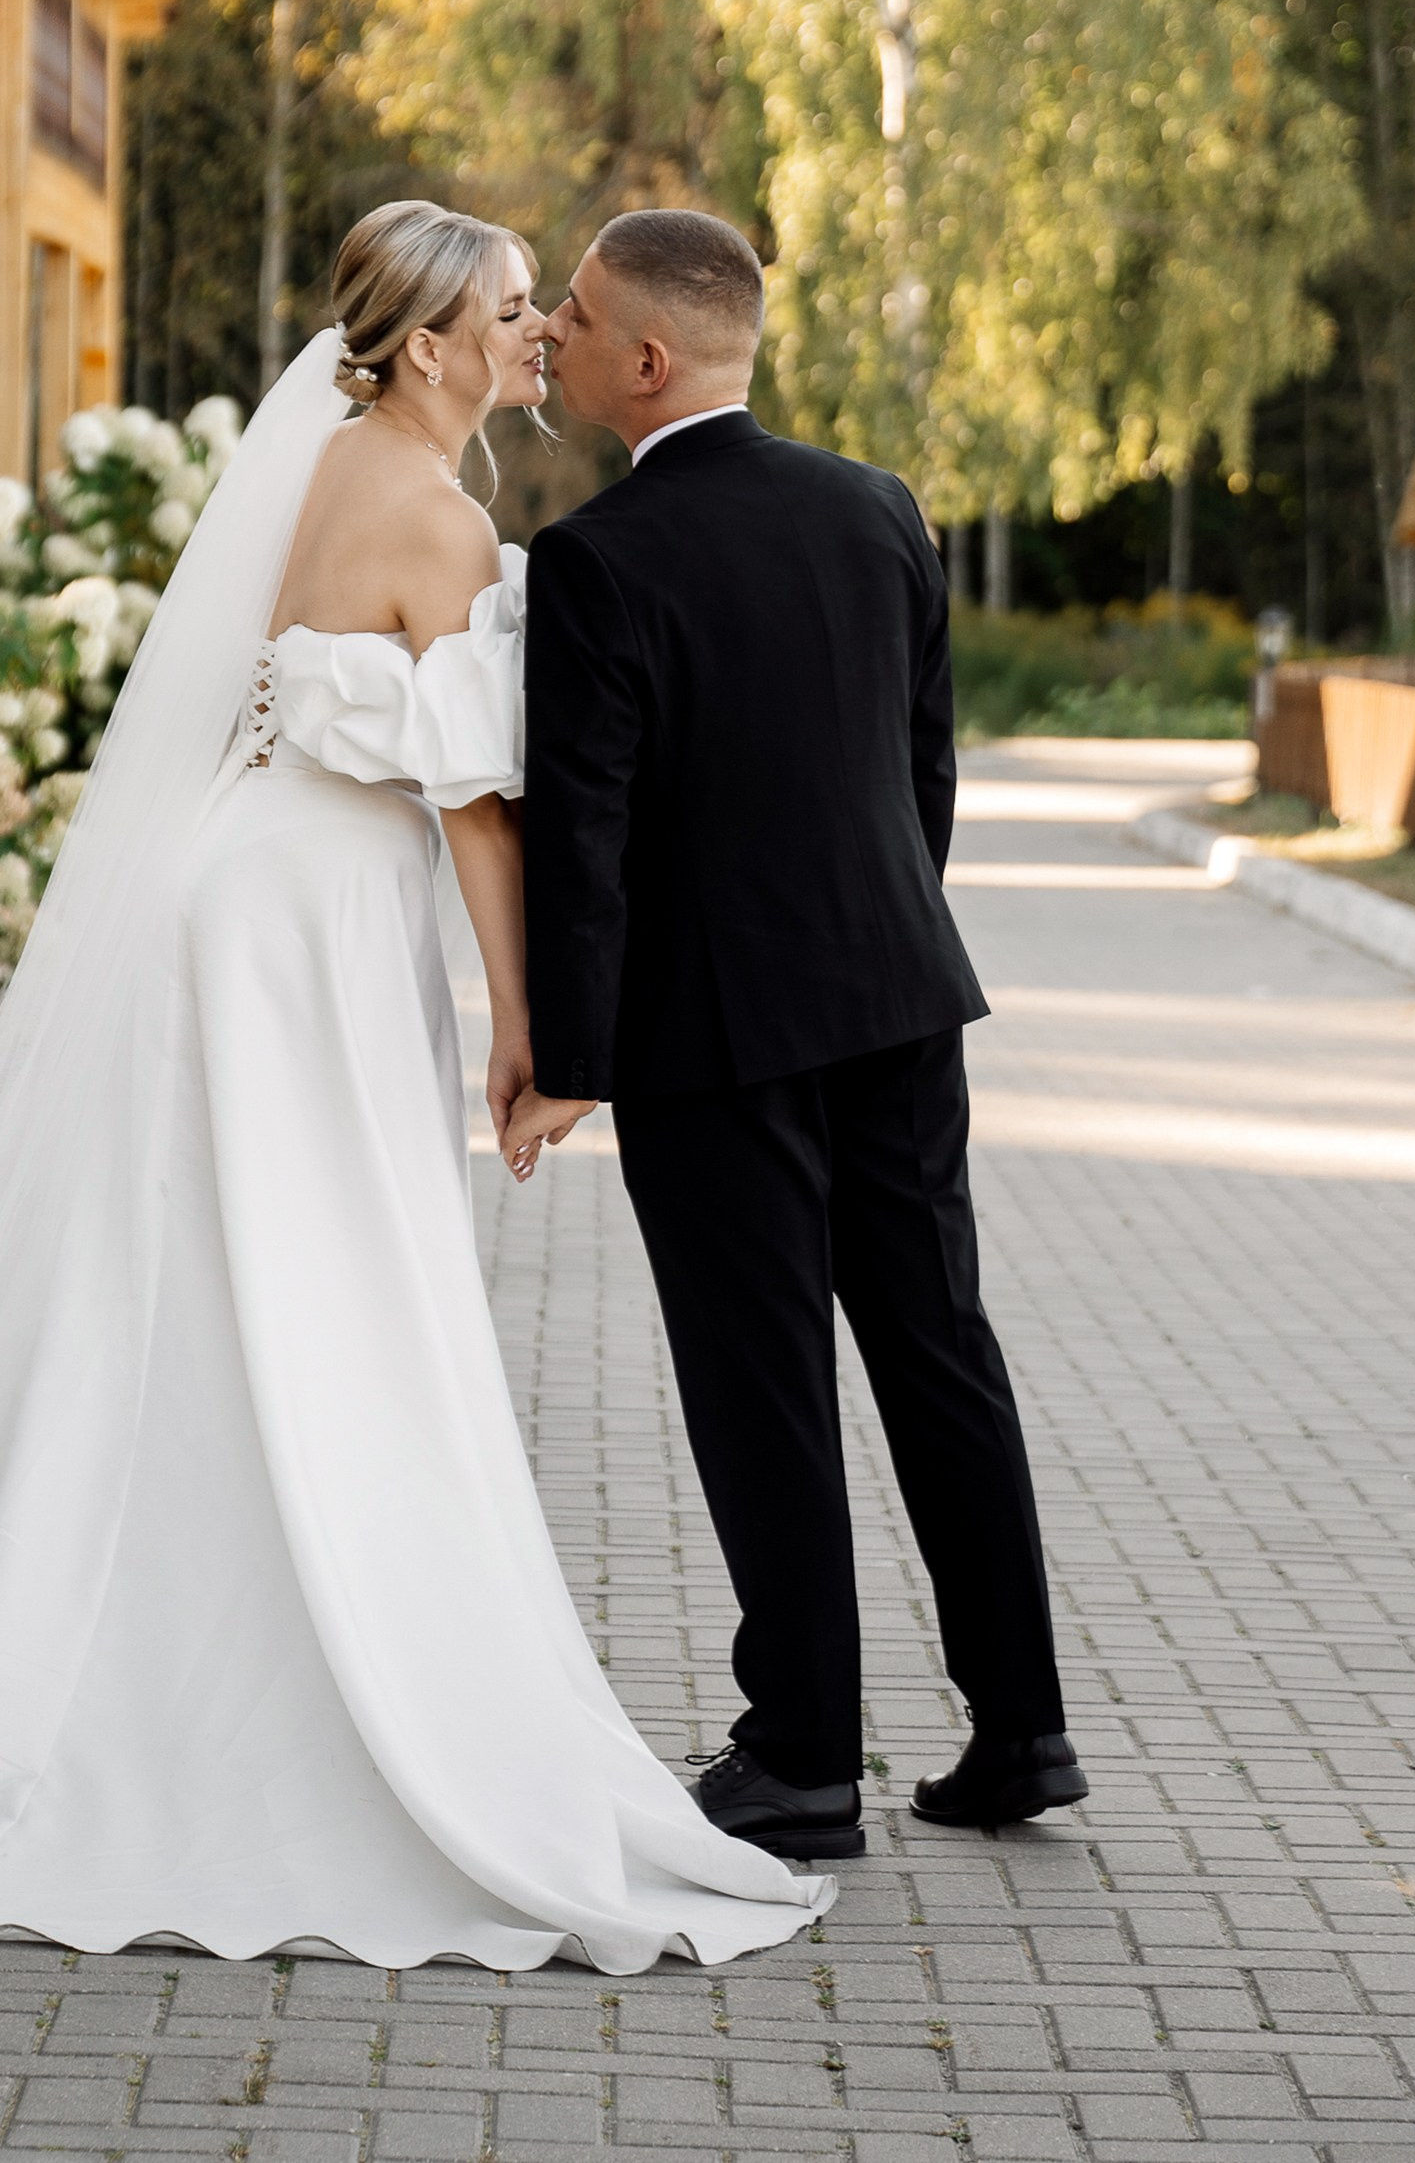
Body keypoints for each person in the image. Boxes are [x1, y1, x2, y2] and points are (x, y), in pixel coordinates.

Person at [0, 202, 829, 1974]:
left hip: (237, 892)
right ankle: (275, 1674)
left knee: (189, 1269)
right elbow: (474, 802)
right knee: (328, 1274)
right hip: (307, 925)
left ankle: (96, 1642)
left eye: (549, 310)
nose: (542, 334)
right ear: (438, 340)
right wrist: (526, 1027)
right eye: (518, 310)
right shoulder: (441, 515)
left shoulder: (325, 473)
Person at [515, 209, 1086, 1865]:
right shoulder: (875, 510)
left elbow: (586, 838)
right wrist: (881, 947)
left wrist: (567, 1054)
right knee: (938, 1352)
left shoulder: (600, 562)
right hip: (899, 1001)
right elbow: (924, 779)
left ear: (645, 360)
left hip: (714, 1039)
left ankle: (802, 1761)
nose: (547, 331)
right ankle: (1021, 1727)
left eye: (573, 311)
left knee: (762, 1386)